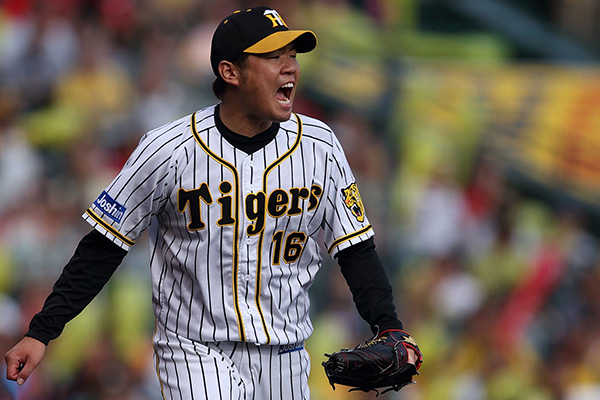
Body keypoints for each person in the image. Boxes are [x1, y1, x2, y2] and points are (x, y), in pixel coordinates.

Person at [5, 6, 420, 399]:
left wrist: (389, 327)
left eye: (292, 55)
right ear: (230, 71)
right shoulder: (167, 150)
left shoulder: (320, 146)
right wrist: (43, 331)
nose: (290, 67)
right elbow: (103, 246)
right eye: (273, 56)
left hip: (287, 354)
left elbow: (355, 249)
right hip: (195, 350)